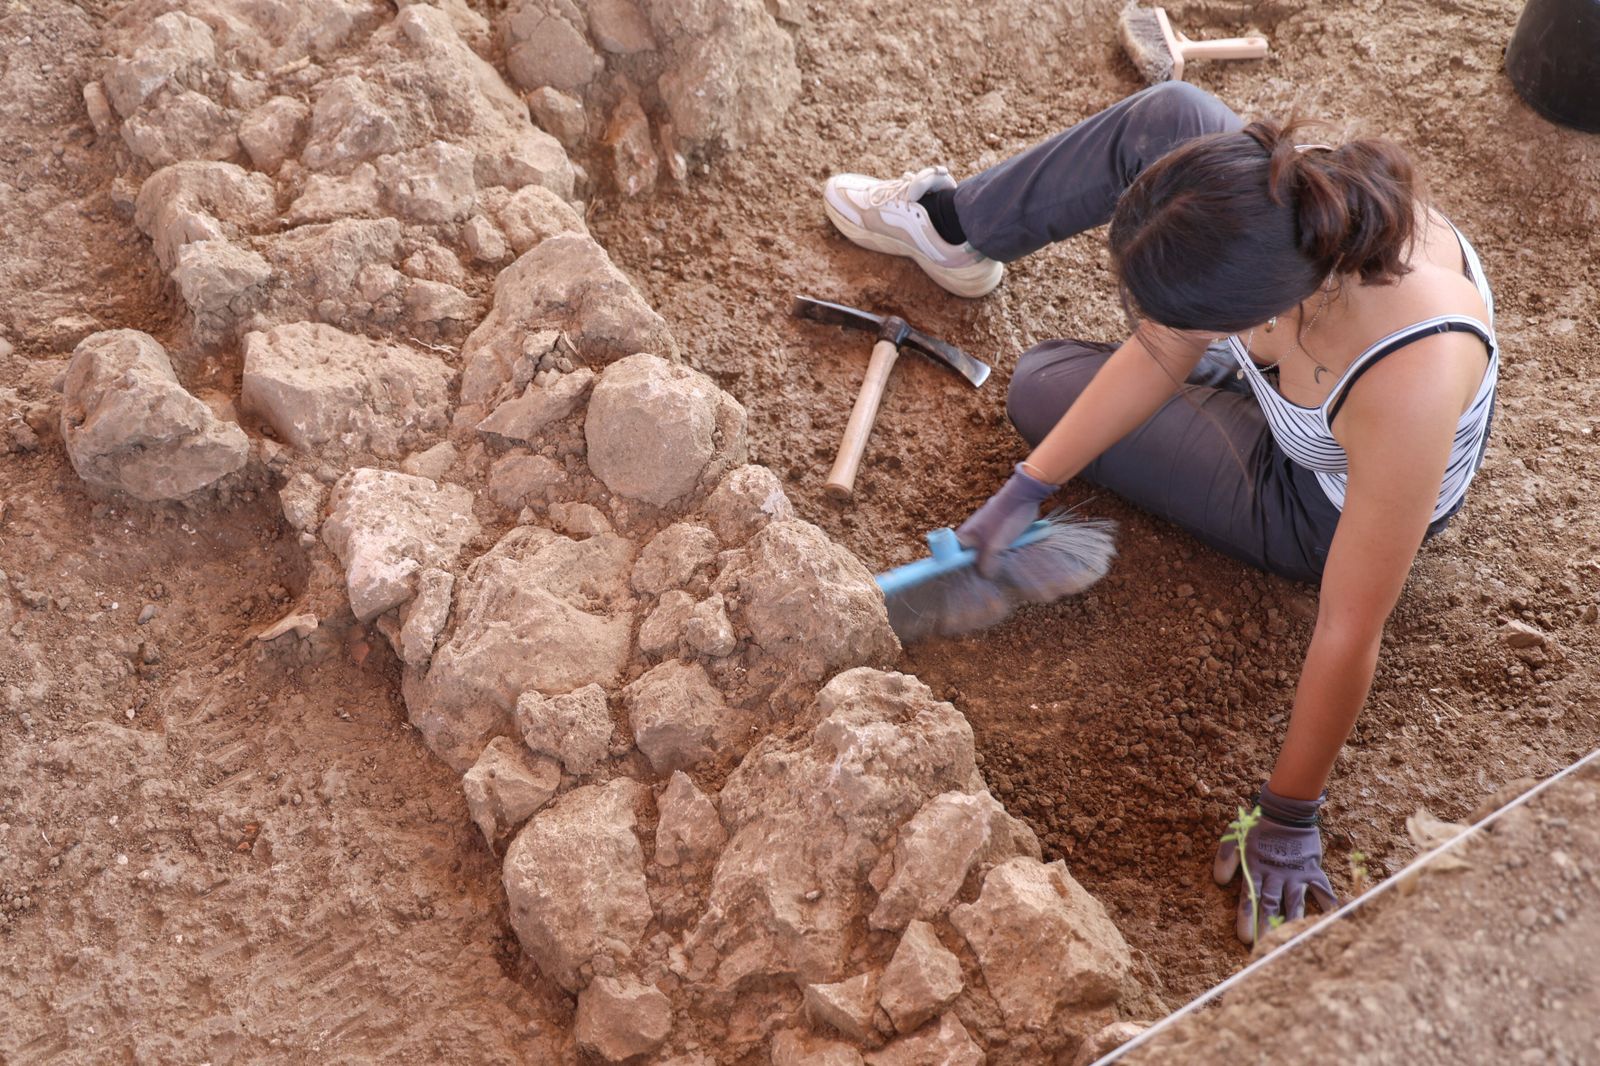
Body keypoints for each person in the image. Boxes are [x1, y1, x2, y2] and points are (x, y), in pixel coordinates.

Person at [821, 82, 1498, 943]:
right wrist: (1026, 487)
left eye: (1194, 320)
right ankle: (951, 223)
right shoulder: (1275, 204)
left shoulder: (1409, 375)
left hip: (1323, 497)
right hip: (1301, 394)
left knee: (1059, 391)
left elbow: (1349, 623)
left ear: (1253, 310)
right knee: (1041, 384)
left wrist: (1291, 811)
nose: (1171, 330)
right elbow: (1163, 344)